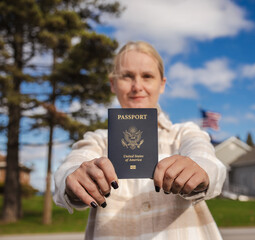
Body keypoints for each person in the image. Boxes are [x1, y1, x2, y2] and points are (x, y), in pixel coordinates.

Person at [53, 41, 226, 240]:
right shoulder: (98, 140)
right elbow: (67, 171)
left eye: (147, 76)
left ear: (161, 84)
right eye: (127, 76)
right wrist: (74, 178)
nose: (137, 86)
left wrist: (200, 169)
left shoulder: (184, 133)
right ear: (112, 84)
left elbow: (209, 160)